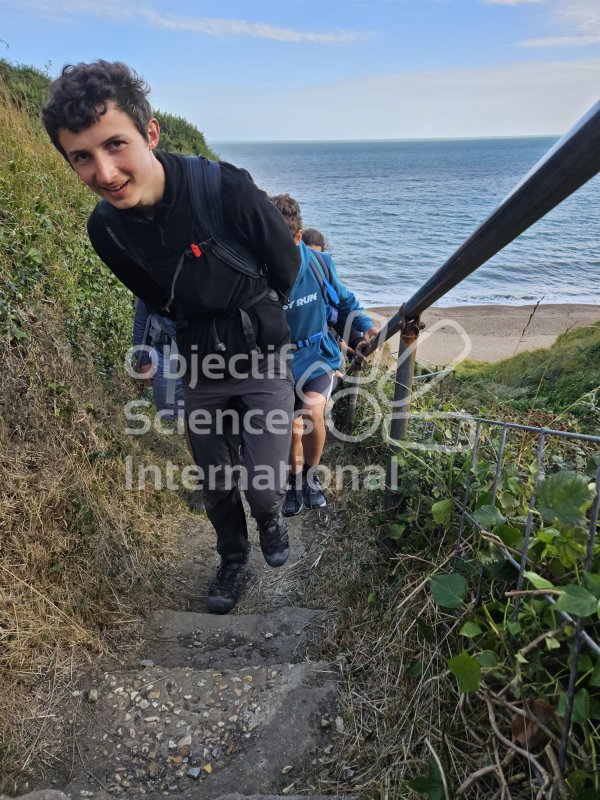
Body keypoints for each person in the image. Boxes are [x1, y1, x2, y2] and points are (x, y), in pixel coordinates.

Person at [42, 61, 301, 614]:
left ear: (150, 133)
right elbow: (152, 294)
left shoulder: (222, 188)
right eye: (81, 157)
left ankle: (272, 518)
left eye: (116, 144)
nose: (104, 172)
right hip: (199, 363)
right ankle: (232, 560)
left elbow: (286, 263)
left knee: (260, 484)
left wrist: (250, 313)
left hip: (261, 354)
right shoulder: (105, 229)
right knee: (215, 483)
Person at [269, 194, 378, 516]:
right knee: (290, 428)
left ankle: (310, 476)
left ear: (298, 237)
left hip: (317, 354)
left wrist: (365, 329)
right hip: (278, 361)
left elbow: (346, 304)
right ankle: (292, 481)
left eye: (282, 243)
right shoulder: (258, 267)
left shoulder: (319, 263)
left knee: (313, 413)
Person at [132, 299, 204, 511]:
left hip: (206, 349)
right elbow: (142, 313)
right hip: (167, 351)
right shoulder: (153, 268)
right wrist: (142, 357)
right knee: (188, 416)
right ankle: (205, 479)